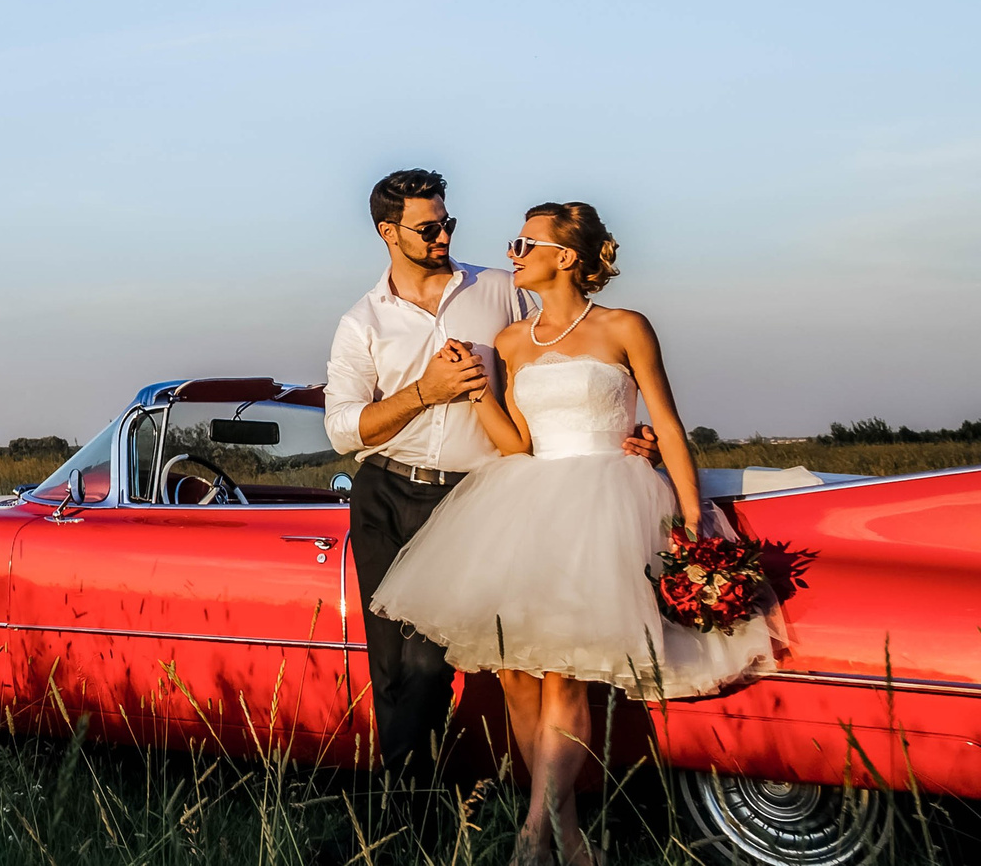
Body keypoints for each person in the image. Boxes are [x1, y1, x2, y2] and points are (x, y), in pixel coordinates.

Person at [370, 203, 774, 866]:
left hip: (605, 501)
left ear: (566, 255)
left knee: (562, 675)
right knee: (517, 676)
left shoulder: (625, 326)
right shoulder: (510, 341)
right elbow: (516, 445)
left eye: (526, 240)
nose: (513, 250)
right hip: (528, 501)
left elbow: (667, 425)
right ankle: (570, 838)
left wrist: (695, 515)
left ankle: (534, 834)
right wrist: (477, 390)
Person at [322, 170, 655, 775]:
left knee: (476, 660)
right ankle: (400, 820)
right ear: (387, 232)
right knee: (396, 668)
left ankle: (493, 806)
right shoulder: (362, 322)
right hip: (387, 493)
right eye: (429, 227)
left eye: (448, 222)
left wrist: (618, 429)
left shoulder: (500, 289)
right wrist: (422, 392)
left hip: (478, 497)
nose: (444, 234)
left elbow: (569, 345)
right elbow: (343, 430)